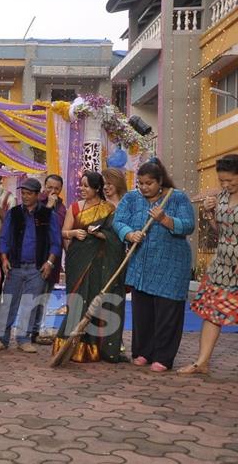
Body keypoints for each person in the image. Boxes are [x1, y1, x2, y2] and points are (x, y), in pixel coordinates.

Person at [113, 158, 194, 372]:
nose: (144, 187)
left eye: (149, 183)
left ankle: (163, 357)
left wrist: (165, 219)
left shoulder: (176, 198)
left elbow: (188, 225)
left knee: (167, 314)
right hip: (142, 265)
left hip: (171, 267)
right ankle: (142, 352)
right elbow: (118, 221)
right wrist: (129, 234)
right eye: (140, 183)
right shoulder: (131, 198)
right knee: (143, 312)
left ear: (160, 181)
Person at [53, 171, 127, 363]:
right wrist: (74, 233)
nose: (83, 189)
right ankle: (69, 345)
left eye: (87, 186)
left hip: (98, 263)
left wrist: (99, 234)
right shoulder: (75, 207)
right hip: (77, 261)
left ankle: (91, 347)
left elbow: (114, 238)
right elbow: (63, 232)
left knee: (93, 303)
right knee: (76, 301)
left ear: (96, 189)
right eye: (81, 185)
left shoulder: (108, 209)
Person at [178, 154, 238, 375]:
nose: (225, 184)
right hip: (222, 264)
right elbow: (220, 231)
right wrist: (210, 212)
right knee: (212, 312)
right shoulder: (221, 196)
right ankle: (201, 362)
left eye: (230, 180)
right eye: (222, 180)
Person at [0, 178, 61, 352]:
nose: (25, 196)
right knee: (8, 302)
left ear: (38, 195)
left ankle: (24, 339)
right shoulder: (13, 213)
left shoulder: (48, 215)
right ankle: (2, 339)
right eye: (23, 193)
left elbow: (55, 242)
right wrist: (5, 259)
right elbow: (4, 238)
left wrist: (49, 263)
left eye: (29, 193)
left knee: (30, 304)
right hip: (15, 265)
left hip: (37, 267)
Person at [28, 174, 66, 345]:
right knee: (33, 294)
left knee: (45, 295)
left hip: (53, 258)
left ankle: (38, 330)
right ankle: (30, 331)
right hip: (36, 257)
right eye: (49, 187)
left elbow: (60, 231)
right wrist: (48, 207)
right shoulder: (36, 203)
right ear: (44, 187)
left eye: (56, 189)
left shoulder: (62, 208)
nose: (52, 191)